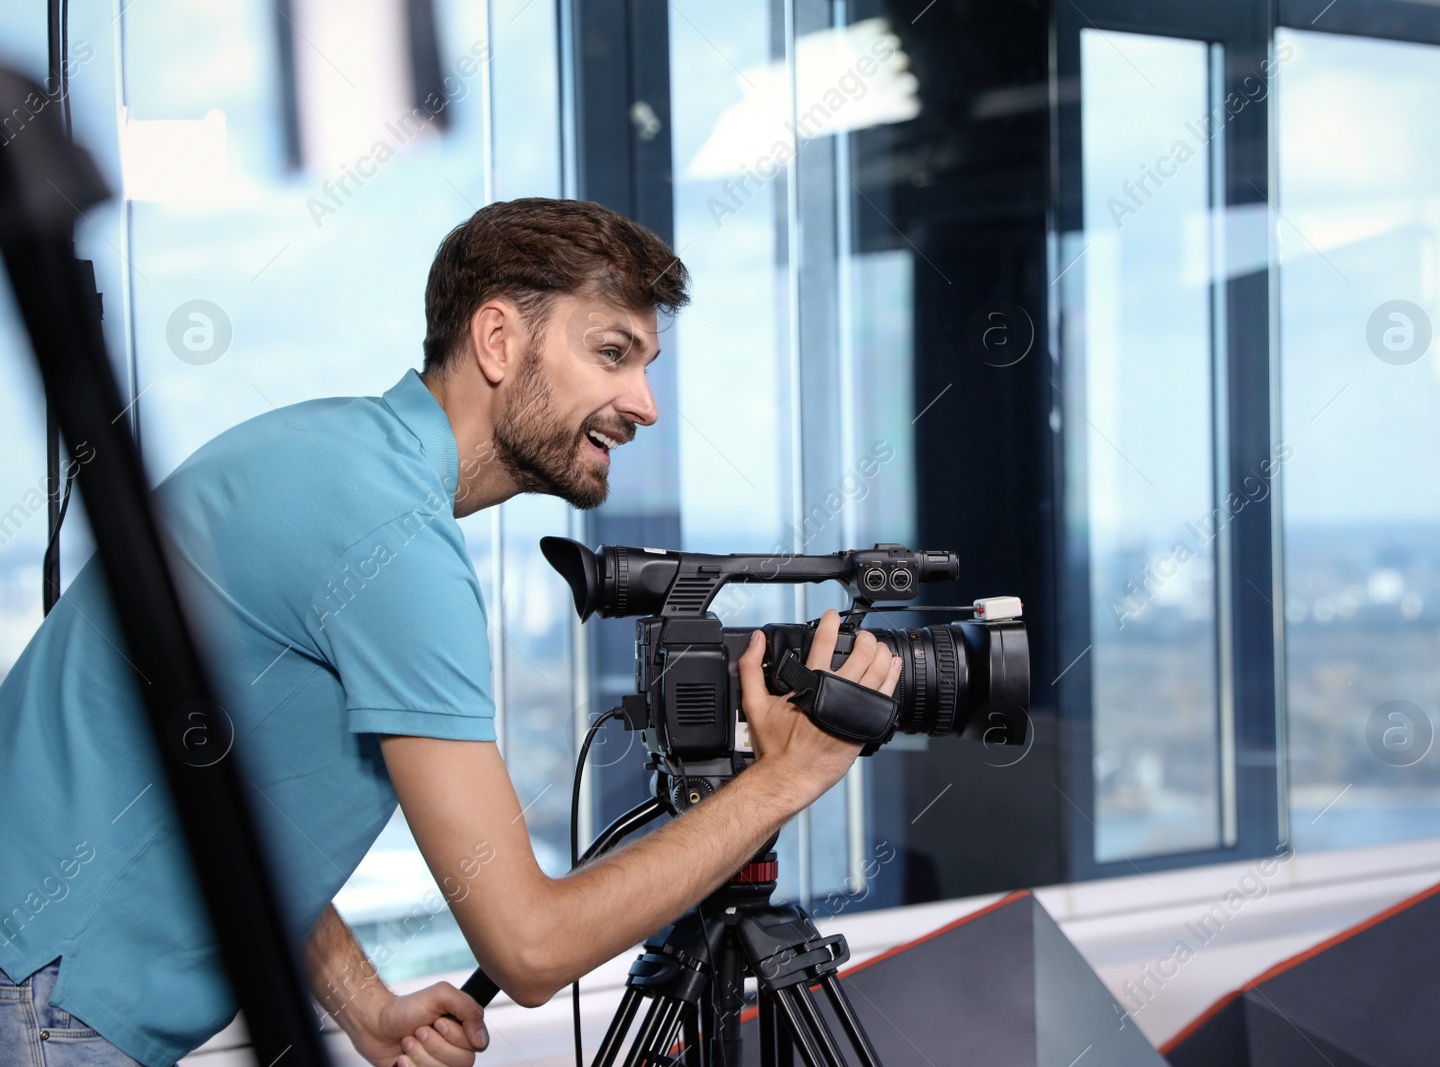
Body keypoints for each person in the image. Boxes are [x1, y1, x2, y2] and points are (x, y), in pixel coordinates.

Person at [0, 198, 901, 1067]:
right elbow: (531, 947)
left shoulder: (325, 456)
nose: (646, 404)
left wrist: (361, 1001)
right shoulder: (392, 537)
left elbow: (226, 791)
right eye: (612, 353)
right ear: (498, 339)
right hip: (40, 997)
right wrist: (789, 777)